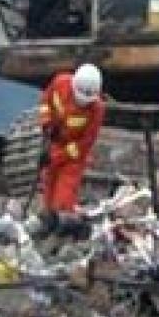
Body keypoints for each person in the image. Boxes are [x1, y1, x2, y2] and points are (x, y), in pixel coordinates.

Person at [38, 63, 105, 218]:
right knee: (48, 186)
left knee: (64, 196)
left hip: (73, 157)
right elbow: (45, 103)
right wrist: (46, 124)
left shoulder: (97, 109)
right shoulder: (59, 83)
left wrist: (55, 157)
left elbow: (84, 144)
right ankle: (47, 220)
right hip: (54, 142)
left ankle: (62, 223)